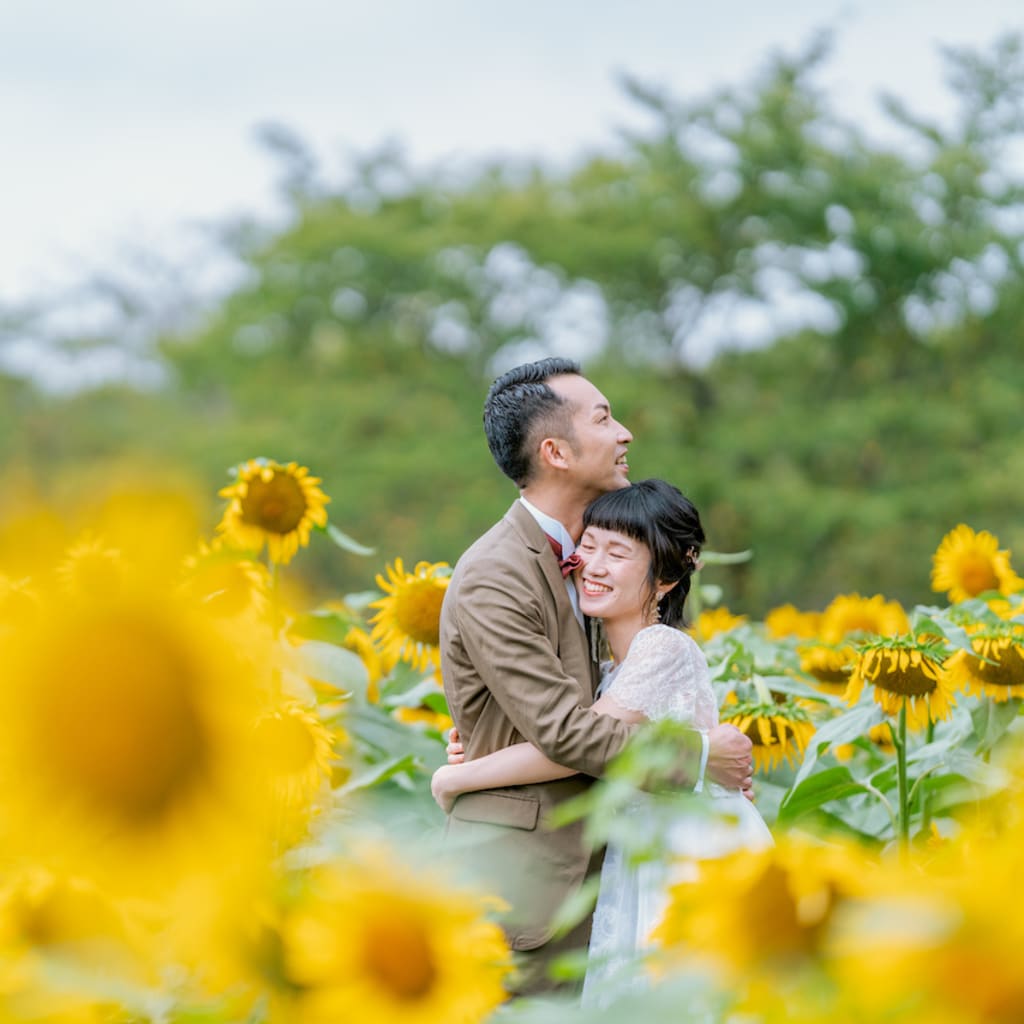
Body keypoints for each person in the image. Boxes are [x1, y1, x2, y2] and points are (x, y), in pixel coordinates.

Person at [438, 357, 753, 996]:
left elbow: (584, 709)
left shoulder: (591, 559)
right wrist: (696, 756)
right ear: (556, 452)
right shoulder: (496, 573)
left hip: (606, 875)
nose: (625, 432)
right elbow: (565, 730)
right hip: (526, 883)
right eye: (604, 418)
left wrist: (471, 766)